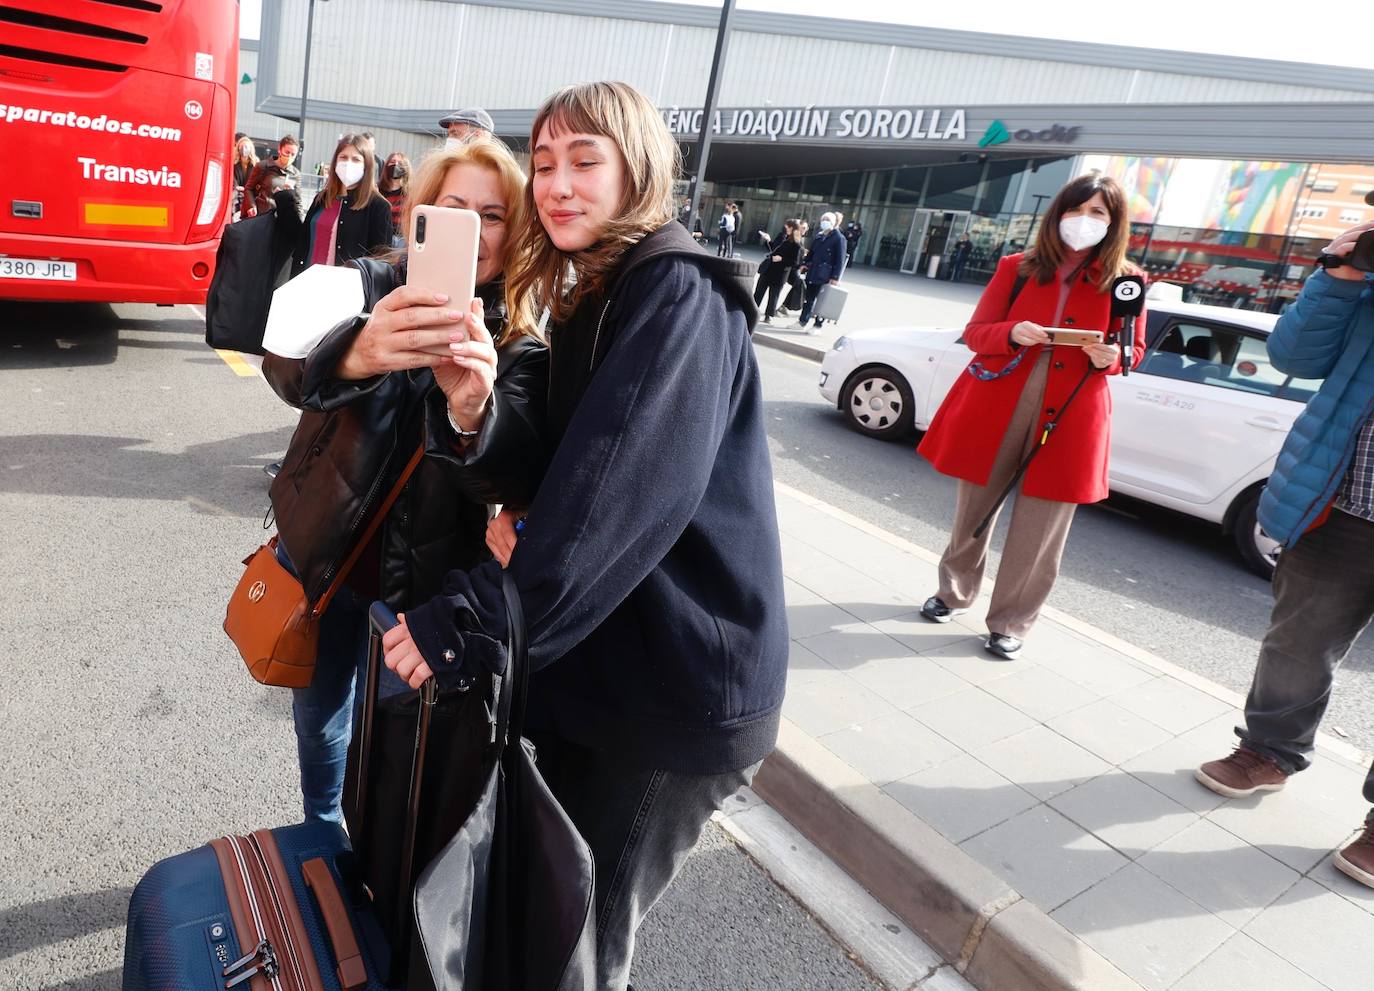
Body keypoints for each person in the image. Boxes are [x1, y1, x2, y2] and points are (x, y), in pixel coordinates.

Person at [381, 80, 787, 988]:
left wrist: (470, 624)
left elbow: (611, 499)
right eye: (547, 163)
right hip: (611, 666)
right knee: (543, 917)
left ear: (637, 167)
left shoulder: (676, 294)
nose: (557, 184)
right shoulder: (598, 289)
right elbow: (559, 471)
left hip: (672, 691)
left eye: (585, 161)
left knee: (580, 944)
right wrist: (472, 406)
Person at [261, 139, 548, 825]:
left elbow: (519, 471)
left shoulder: (523, 346)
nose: (472, 230)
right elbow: (279, 366)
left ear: (517, 234)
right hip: (328, 567)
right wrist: (354, 353)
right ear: (420, 214)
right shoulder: (370, 286)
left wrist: (474, 408)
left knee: (398, 756)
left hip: (421, 602)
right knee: (320, 722)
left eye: (493, 215)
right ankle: (320, 833)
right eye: (454, 209)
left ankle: (368, 869)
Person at [1194, 218, 1374, 890]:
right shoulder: (1362, 283)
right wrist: (1341, 271)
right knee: (1296, 642)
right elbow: (1295, 355)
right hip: (1345, 503)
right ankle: (1267, 752)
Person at [916, 174, 1146, 660]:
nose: (1085, 221)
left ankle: (1011, 622)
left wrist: (1115, 357)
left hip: (1074, 409)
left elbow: (1133, 350)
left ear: (1115, 222)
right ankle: (954, 590)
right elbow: (977, 332)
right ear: (1058, 213)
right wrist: (1011, 332)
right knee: (974, 509)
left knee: (1044, 527)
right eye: (1076, 210)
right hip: (1002, 397)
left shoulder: (1128, 281)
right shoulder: (1017, 268)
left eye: (1099, 213)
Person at [291, 133, 393, 276]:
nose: (348, 164)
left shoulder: (378, 206)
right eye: (343, 157)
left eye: (356, 159)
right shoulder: (322, 198)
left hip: (347, 289)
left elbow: (381, 260)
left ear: (366, 166)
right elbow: (304, 241)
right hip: (308, 280)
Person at [797, 210, 847, 330]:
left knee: (823, 301)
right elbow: (811, 253)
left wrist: (835, 277)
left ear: (833, 222)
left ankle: (818, 325)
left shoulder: (839, 238)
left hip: (826, 275)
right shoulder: (819, 236)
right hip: (813, 272)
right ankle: (802, 322)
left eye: (828, 220)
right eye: (823, 220)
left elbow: (839, 260)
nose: (825, 222)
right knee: (808, 299)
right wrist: (804, 264)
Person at [753, 219, 802, 324]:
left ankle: (768, 315)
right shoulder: (783, 237)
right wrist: (768, 240)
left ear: (792, 228)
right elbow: (773, 248)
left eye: (788, 227)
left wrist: (782, 259)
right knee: (759, 291)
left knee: (774, 295)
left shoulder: (796, 245)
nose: (786, 229)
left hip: (780, 273)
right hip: (769, 269)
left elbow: (795, 262)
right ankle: (752, 310)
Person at [242, 134, 300, 218]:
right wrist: (252, 206)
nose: (289, 157)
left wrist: (300, 223)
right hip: (262, 216)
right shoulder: (263, 166)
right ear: (279, 150)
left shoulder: (295, 174)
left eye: (293, 154)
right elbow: (248, 188)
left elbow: (298, 201)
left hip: (281, 219)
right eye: (287, 152)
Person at [379, 151, 410, 244]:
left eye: (400, 163)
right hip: (380, 237)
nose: (396, 165)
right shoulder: (377, 191)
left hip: (401, 240)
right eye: (392, 162)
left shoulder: (410, 193)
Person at [231, 136, 258, 221]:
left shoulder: (256, 165)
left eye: (246, 146)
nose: (244, 149)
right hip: (236, 196)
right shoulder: (234, 164)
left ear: (251, 148)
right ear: (238, 148)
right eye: (242, 146)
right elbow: (234, 183)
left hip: (250, 197)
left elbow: (256, 184)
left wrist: (245, 188)